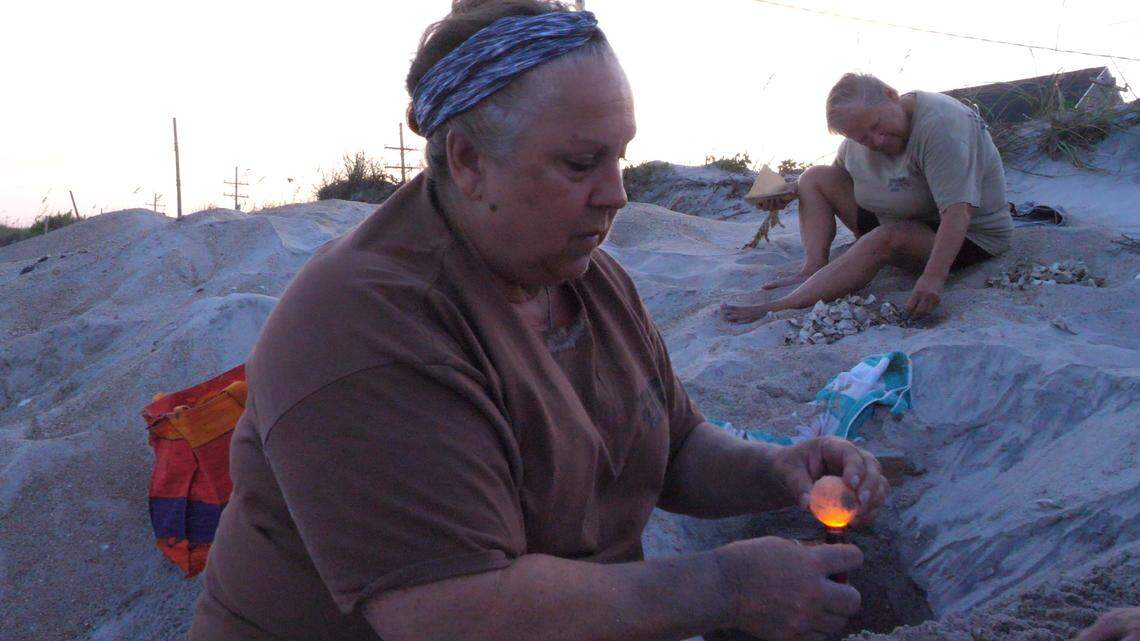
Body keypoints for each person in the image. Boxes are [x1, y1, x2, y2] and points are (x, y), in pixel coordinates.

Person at [189, 2, 890, 640]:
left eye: (620, 156)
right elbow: (450, 611)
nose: (615, 194)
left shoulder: (581, 272)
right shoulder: (369, 327)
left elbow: (672, 448)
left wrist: (776, 471)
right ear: (468, 161)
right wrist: (725, 585)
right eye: (581, 163)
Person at [722, 72, 1014, 324]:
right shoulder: (859, 137)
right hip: (895, 217)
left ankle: (782, 306)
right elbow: (837, 181)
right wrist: (786, 192)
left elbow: (958, 213)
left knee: (885, 237)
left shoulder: (941, 126)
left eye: (877, 127)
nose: (875, 141)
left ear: (891, 95)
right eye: (862, 137)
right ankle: (813, 268)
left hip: (967, 238)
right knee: (813, 177)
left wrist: (933, 278)